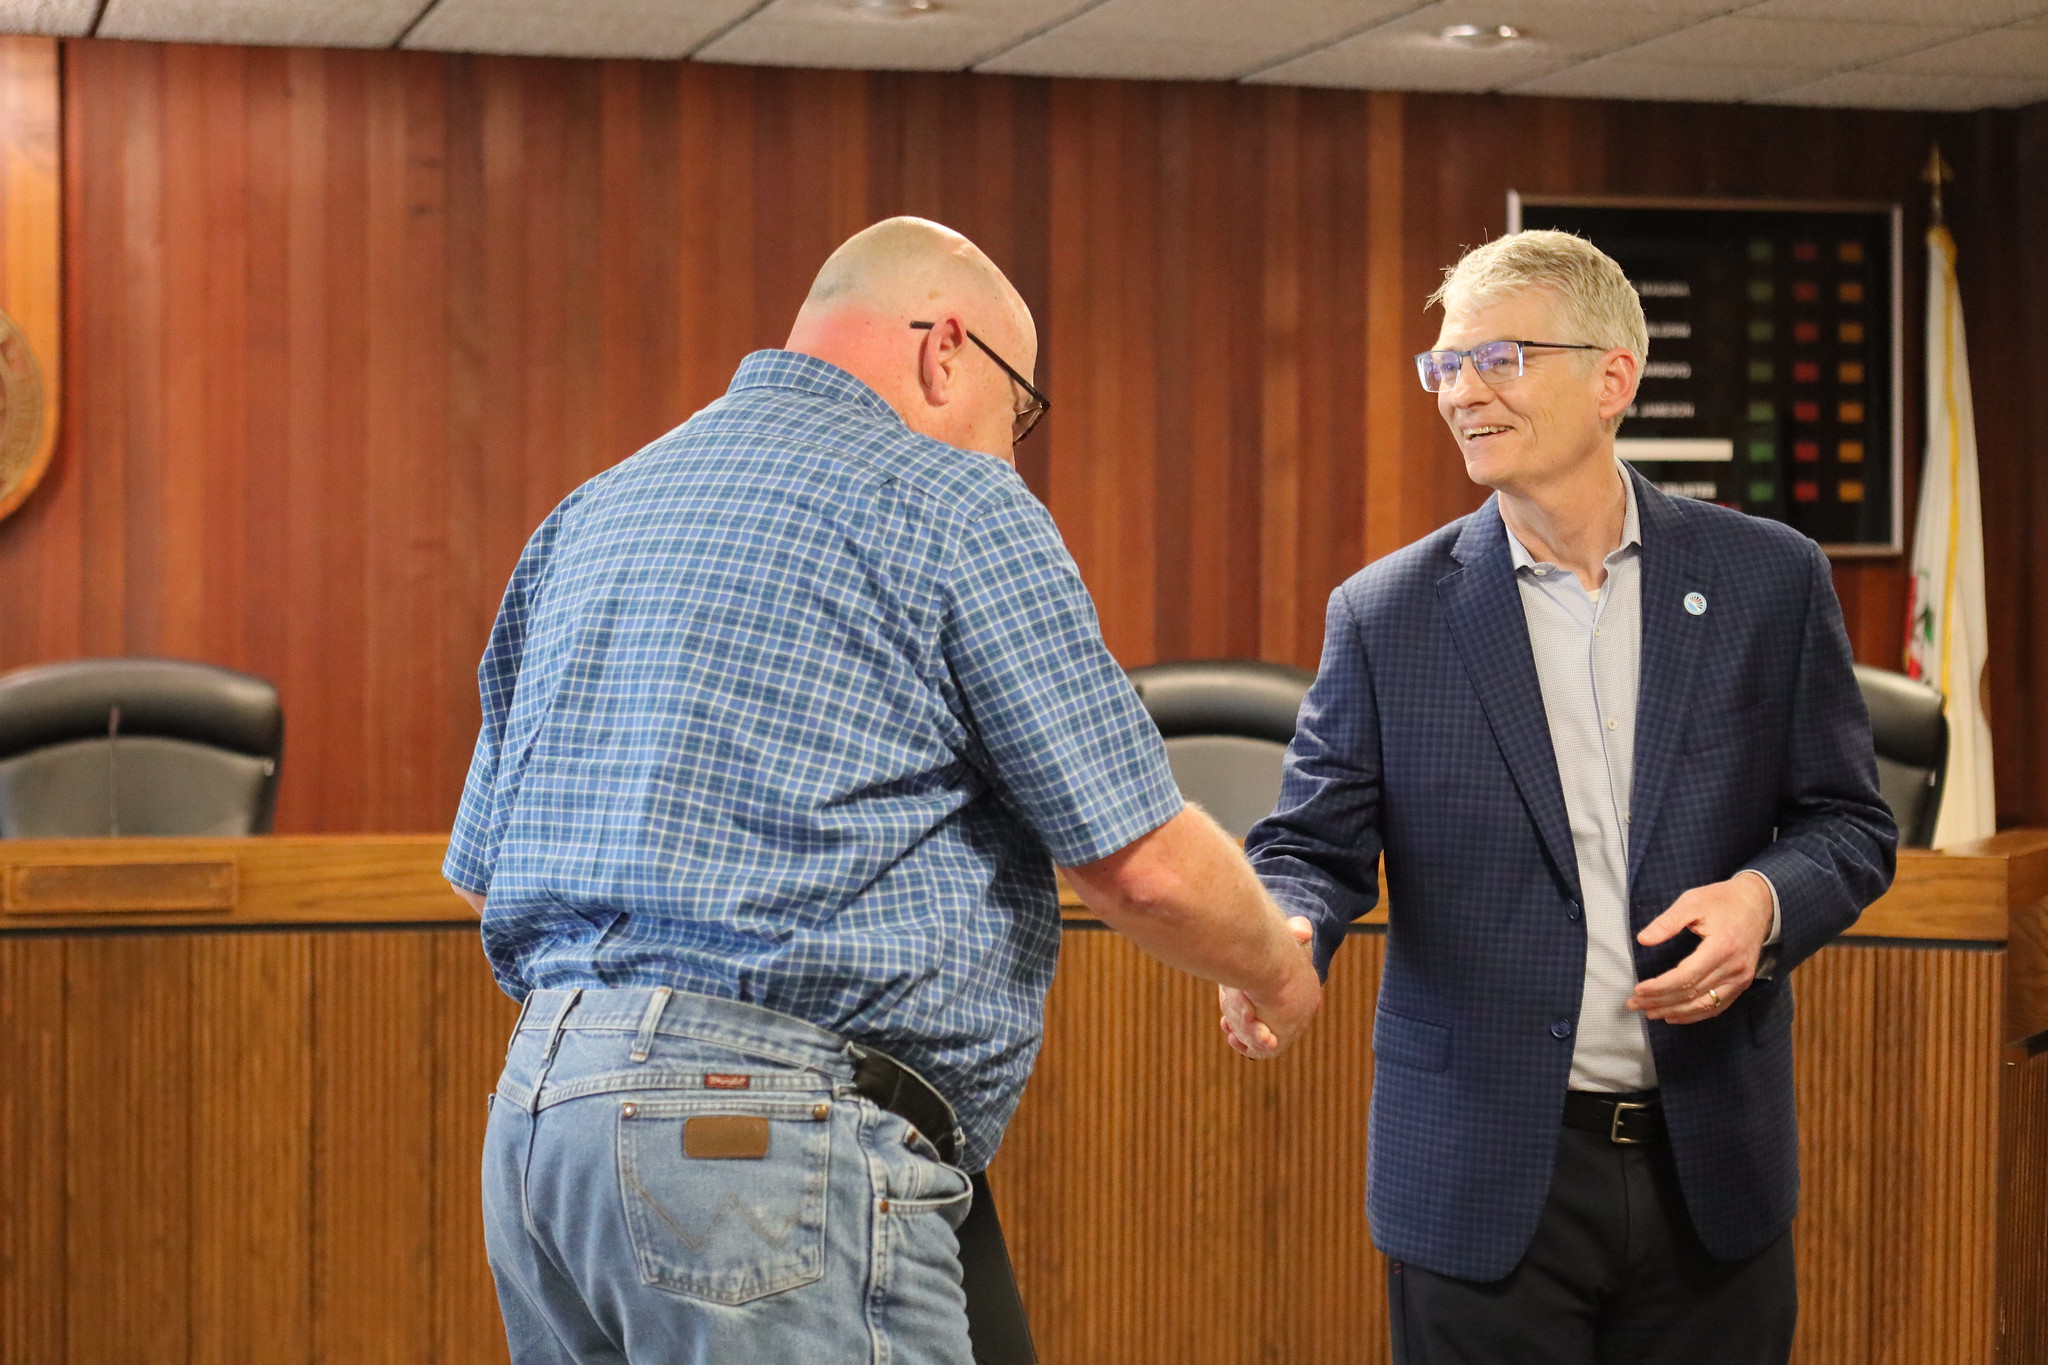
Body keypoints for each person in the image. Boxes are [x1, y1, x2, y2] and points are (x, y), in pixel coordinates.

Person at [446, 215, 1320, 1365]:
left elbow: (478, 876)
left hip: (540, 1131)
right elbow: (1140, 862)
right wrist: (1272, 965)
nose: (1010, 454)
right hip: (756, 1144)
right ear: (944, 348)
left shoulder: (596, 508)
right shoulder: (950, 501)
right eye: (1019, 413)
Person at [1226, 230, 1896, 1362]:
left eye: (1498, 358)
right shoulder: (1385, 614)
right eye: (1443, 365)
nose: (1461, 394)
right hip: (1480, 1176)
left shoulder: (1765, 579)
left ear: (1611, 379)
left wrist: (1761, 901)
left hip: (1709, 1171)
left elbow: (1848, 823)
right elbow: (1311, 845)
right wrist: (1284, 934)